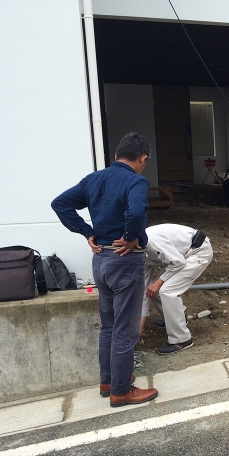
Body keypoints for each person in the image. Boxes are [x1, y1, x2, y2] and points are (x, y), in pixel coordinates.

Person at [51, 132, 158, 407]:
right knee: (125, 329)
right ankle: (122, 390)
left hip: (100, 261)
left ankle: (108, 380)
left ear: (116, 156)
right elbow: (135, 213)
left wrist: (87, 232)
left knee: (108, 326)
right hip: (125, 259)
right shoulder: (136, 181)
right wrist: (133, 235)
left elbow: (60, 203)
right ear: (142, 158)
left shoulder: (94, 179)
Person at [140, 223, 213, 354]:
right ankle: (175, 320)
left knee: (167, 291)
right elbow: (144, 291)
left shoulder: (151, 240)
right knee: (152, 290)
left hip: (199, 252)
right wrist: (139, 328)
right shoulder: (138, 254)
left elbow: (178, 262)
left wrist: (158, 282)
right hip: (182, 257)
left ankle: (182, 339)